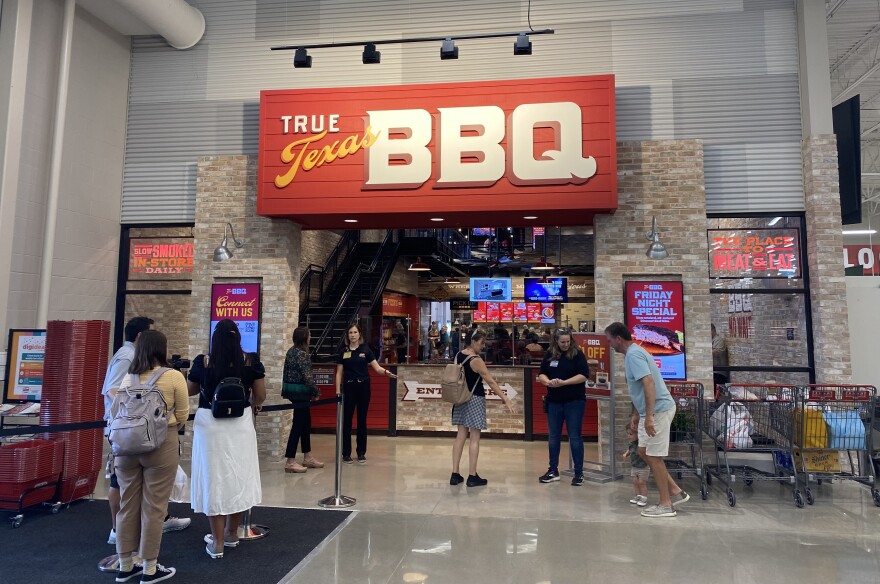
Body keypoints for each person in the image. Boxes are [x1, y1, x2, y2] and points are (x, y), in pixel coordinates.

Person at [102, 317, 190, 547]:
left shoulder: (130, 373)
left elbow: (118, 396)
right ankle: (147, 564)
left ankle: (125, 562)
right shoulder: (129, 359)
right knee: (151, 505)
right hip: (151, 438)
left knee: (128, 501)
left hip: (126, 439)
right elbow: (109, 391)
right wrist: (150, 418)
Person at [187, 319, 266, 558]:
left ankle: (217, 543)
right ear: (238, 338)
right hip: (240, 426)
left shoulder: (204, 361)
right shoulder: (251, 361)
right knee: (237, 476)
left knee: (214, 480)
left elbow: (190, 390)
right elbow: (260, 396)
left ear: (215, 339)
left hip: (210, 427)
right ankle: (232, 533)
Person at [605, 322, 690, 517]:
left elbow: (648, 383)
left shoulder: (634, 355)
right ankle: (675, 491)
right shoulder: (632, 354)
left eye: (609, 340)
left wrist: (649, 416)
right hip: (648, 412)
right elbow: (638, 389)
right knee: (643, 451)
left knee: (653, 456)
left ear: (618, 339)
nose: (609, 344)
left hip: (658, 410)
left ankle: (666, 505)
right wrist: (637, 415)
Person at [450, 329, 517, 487]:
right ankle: (472, 476)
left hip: (460, 398)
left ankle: (455, 473)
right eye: (481, 343)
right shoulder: (476, 360)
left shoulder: (459, 355)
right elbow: (491, 381)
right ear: (473, 342)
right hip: (475, 398)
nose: (482, 347)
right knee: (474, 438)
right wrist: (506, 399)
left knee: (460, 436)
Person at [336, 323, 397, 464]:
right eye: (350, 332)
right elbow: (339, 374)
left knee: (362, 420)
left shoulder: (365, 350)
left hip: (363, 388)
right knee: (347, 421)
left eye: (355, 332)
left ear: (359, 335)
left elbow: (376, 368)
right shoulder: (343, 352)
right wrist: (338, 392)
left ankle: (361, 452)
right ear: (347, 335)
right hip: (349, 388)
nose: (352, 335)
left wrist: (387, 373)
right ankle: (346, 453)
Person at [536, 328, 589, 486]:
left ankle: (578, 473)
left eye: (568, 341)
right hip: (554, 401)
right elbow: (542, 373)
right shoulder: (550, 354)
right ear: (556, 342)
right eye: (562, 342)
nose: (566, 344)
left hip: (574, 401)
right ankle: (553, 470)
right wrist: (547, 382)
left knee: (575, 437)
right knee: (553, 437)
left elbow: (584, 375)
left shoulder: (577, 354)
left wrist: (564, 383)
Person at [282, 326, 324, 473]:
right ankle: (290, 460)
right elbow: (308, 377)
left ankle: (308, 456)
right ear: (304, 338)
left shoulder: (291, 352)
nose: (310, 338)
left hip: (292, 392)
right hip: (301, 393)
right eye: (309, 335)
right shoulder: (302, 354)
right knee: (298, 425)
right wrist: (316, 391)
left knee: (306, 423)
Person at [622, 420, 650, 506]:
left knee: (641, 482)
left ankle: (644, 497)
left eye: (631, 434)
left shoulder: (641, 443)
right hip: (634, 466)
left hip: (643, 466)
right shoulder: (632, 443)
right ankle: (638, 496)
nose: (629, 436)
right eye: (628, 434)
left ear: (638, 434)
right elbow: (630, 449)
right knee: (635, 481)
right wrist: (627, 453)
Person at [711, 323, 729, 388]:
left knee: (716, 393)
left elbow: (717, 352)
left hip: (719, 372)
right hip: (713, 371)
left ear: (712, 330)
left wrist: (704, 350)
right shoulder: (711, 340)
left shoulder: (718, 340)